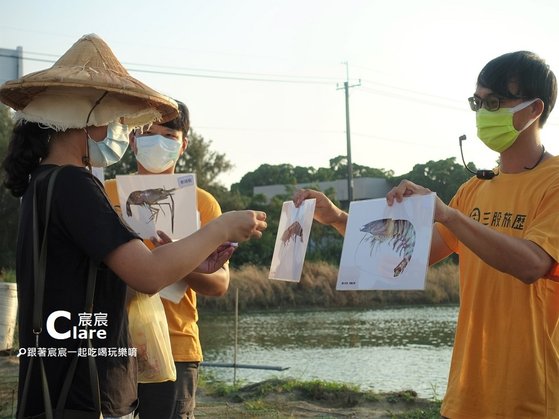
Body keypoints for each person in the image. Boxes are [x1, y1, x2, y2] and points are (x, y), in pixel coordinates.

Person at [0, 33, 267, 419]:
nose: (119, 130)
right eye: (114, 119)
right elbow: (149, 275)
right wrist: (221, 228)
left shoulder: (42, 184)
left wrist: (189, 261)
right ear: (89, 121)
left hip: (55, 385)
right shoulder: (77, 185)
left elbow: (88, 282)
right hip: (86, 394)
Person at [294, 51, 559, 418]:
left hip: (533, 399)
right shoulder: (473, 190)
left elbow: (533, 263)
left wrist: (449, 216)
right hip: (467, 397)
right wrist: (337, 217)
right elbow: (415, 253)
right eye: (477, 102)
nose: (483, 113)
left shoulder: (554, 182)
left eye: (495, 102)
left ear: (533, 110)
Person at [104, 100, 228, 418]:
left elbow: (219, 283)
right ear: (132, 141)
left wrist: (180, 258)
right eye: (148, 134)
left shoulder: (203, 203)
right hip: (112, 341)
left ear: (183, 144)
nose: (157, 143)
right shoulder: (104, 193)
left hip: (176, 347)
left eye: (169, 137)